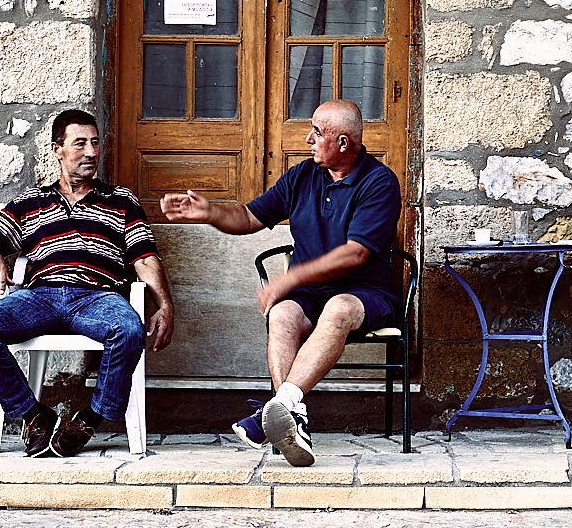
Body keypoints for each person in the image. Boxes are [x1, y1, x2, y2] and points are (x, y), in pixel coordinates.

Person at [160, 100, 401, 468]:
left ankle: (273, 412)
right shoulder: (302, 175)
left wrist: (289, 277)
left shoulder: (379, 182)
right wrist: (210, 212)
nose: (308, 139)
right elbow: (247, 216)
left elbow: (355, 254)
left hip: (365, 293)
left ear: (342, 143)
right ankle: (292, 417)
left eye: (317, 133)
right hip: (311, 295)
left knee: (338, 309)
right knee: (283, 312)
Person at [0, 109, 174, 457]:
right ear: (57, 149)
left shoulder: (121, 201)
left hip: (98, 297)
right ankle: (33, 414)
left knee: (129, 329)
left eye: (94, 143)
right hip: (39, 297)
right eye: (80, 144)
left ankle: (90, 419)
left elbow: (145, 258)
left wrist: (164, 305)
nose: (90, 152)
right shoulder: (29, 203)